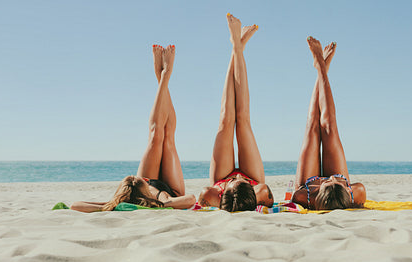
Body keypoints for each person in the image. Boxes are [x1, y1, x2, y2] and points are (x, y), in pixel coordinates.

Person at [71, 45, 196, 213]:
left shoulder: (125, 196)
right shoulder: (156, 200)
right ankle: (164, 76)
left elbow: (75, 205)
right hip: (170, 191)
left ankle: (162, 78)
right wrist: (161, 204)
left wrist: (111, 204)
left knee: (155, 135)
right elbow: (190, 200)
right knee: (168, 139)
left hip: (146, 183)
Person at [198, 13, 274, 211]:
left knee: (225, 120)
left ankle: (237, 46)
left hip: (221, 177)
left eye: (237, 181)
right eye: (241, 181)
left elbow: (203, 197)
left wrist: (226, 183)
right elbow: (265, 193)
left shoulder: (212, 195)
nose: (239, 177)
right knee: (243, 119)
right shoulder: (259, 191)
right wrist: (248, 184)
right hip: (254, 176)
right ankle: (238, 46)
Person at [292, 37, 366, 210]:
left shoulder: (305, 196)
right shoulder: (357, 191)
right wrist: (340, 183)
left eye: (328, 182)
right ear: (347, 190)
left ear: (318, 194)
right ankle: (322, 68)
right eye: (336, 182)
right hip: (334, 191)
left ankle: (320, 65)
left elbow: (293, 197)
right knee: (329, 126)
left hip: (309, 182)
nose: (330, 177)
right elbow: (346, 187)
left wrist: (316, 187)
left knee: (313, 127)